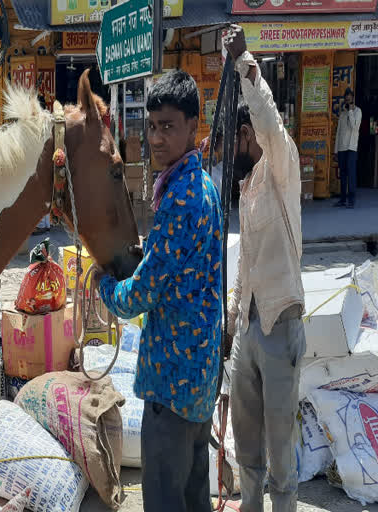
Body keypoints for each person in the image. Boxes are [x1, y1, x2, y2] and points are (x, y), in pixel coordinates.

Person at [96, 70, 223, 512]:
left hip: (172, 382)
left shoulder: (181, 197)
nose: (156, 138)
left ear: (193, 126)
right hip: (199, 379)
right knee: (193, 496)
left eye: (168, 126)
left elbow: (140, 296)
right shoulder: (202, 185)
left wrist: (105, 285)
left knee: (166, 499)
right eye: (151, 127)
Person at [223, 25, 306, 512]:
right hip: (251, 333)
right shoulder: (248, 186)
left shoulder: (282, 167)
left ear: (247, 136)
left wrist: (244, 61)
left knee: (281, 464)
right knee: (247, 455)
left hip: (281, 328)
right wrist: (233, 326)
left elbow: (270, 121)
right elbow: (245, 264)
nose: (227, 150)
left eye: (233, 140)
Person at [334, 87, 361, 209]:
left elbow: (354, 126)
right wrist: (335, 150)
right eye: (346, 99)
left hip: (351, 148)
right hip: (341, 148)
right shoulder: (342, 114)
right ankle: (342, 199)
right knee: (343, 175)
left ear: (353, 99)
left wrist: (351, 111)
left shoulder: (357, 112)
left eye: (350, 99)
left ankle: (351, 200)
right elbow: (338, 132)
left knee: (351, 174)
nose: (348, 100)